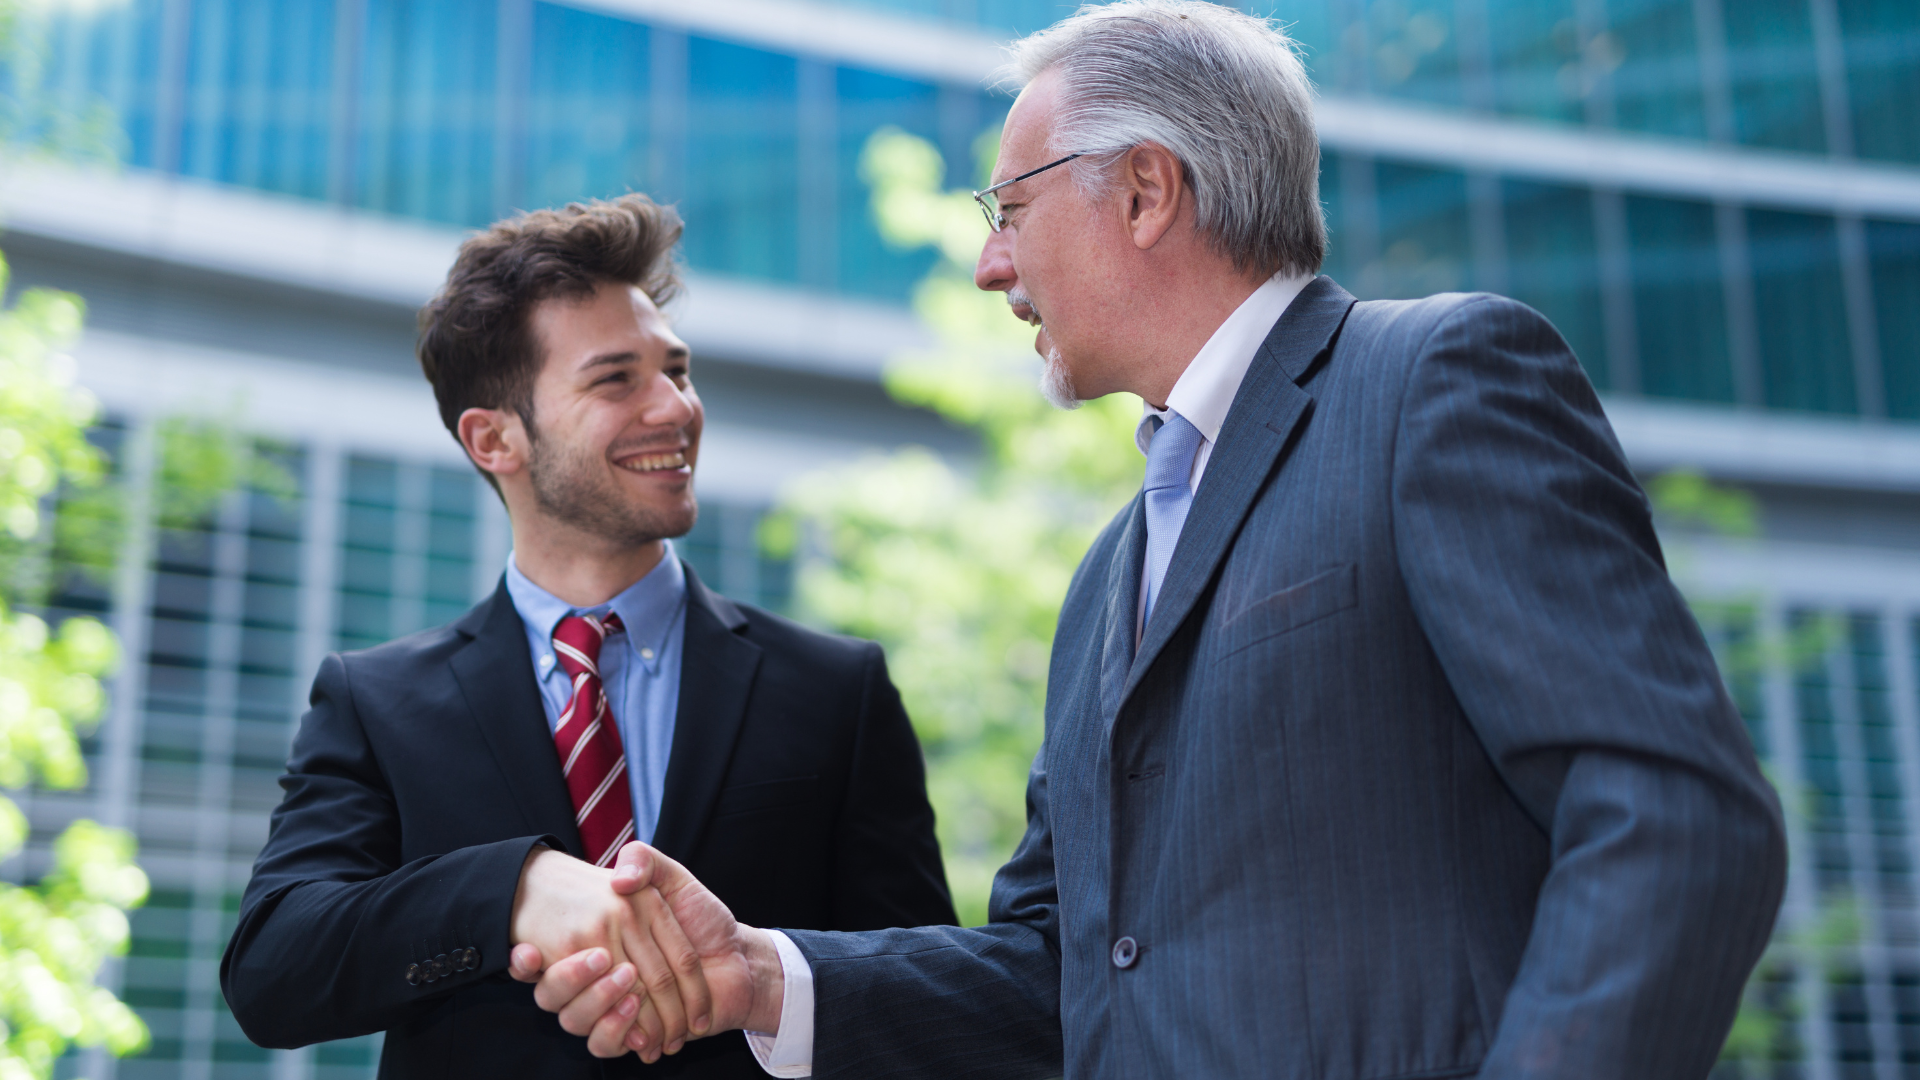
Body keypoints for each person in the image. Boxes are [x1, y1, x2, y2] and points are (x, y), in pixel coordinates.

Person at [523, 3, 1790, 1077]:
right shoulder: (1108, 577)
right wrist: (758, 974)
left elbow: (1671, 815)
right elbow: (1056, 965)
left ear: (1143, 190)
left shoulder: (1433, 381)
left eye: (1008, 208)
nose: (988, 264)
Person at [219, 195, 957, 1078]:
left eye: (676, 371)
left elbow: (931, 1000)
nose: (675, 408)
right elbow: (272, 968)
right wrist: (512, 892)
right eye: (617, 379)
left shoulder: (838, 689)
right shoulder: (375, 702)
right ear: (495, 439)